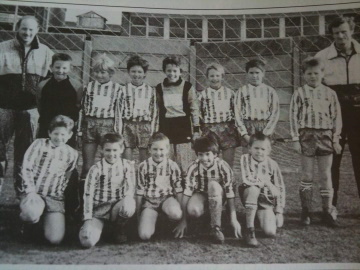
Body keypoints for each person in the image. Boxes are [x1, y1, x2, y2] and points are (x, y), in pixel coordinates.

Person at [0, 16, 53, 195]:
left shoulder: (45, 52)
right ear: (17, 28)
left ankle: (22, 194)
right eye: (24, 29)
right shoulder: (3, 48)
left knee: (25, 153)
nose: (27, 33)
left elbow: (50, 82)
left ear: (37, 30)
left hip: (30, 111)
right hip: (4, 108)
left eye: (31, 29)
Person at [315, 16, 360, 218]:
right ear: (331, 35)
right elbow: (314, 87)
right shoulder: (322, 57)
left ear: (352, 30)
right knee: (332, 160)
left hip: (358, 115)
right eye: (336, 33)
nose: (341, 37)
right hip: (333, 115)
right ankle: (330, 206)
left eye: (344, 32)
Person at [290, 57, 342, 227]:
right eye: (309, 73)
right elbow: (293, 117)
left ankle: (327, 211)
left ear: (322, 73)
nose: (313, 76)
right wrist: (295, 139)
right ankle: (306, 211)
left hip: (325, 135)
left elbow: (336, 118)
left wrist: (336, 138)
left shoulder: (330, 93)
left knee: (326, 174)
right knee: (307, 175)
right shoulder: (299, 93)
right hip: (307, 135)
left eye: (316, 73)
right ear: (304, 75)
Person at [19, 115, 78, 245]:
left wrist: (60, 191)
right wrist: (31, 192)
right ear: (49, 133)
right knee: (31, 213)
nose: (59, 137)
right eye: (56, 133)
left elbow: (68, 174)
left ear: (69, 135)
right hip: (35, 192)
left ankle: (44, 221)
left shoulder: (72, 153)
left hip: (54, 197)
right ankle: (29, 225)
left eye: (63, 134)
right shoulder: (38, 144)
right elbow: (26, 168)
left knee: (55, 239)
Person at [173, 136, 241, 244]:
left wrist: (234, 219)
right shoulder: (193, 167)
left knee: (213, 185)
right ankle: (206, 217)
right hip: (201, 193)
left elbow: (230, 192)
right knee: (193, 210)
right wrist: (183, 220)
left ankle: (216, 227)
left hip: (219, 194)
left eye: (207, 154)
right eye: (201, 154)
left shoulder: (223, 166)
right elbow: (187, 193)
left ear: (215, 154)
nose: (204, 158)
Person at [77, 54, 123, 206]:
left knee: (108, 163)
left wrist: (117, 132)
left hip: (108, 126)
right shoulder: (88, 87)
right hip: (90, 125)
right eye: (96, 72)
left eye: (103, 72)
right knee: (87, 165)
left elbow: (118, 112)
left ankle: (108, 199)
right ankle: (84, 201)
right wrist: (79, 130)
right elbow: (82, 110)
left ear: (110, 73)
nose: (99, 75)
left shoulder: (117, 89)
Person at [79, 133, 136, 248]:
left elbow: (130, 188)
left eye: (115, 150)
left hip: (116, 206)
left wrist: (127, 200)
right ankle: (99, 227)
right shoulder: (95, 169)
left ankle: (117, 228)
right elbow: (88, 194)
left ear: (121, 149)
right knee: (87, 242)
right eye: (108, 150)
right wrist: (88, 219)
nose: (111, 154)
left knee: (128, 203)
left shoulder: (126, 166)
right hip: (99, 209)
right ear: (101, 150)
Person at [155, 56, 200, 176]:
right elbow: (157, 109)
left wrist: (196, 129)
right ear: (164, 71)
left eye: (175, 71)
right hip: (166, 126)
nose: (172, 74)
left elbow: (194, 109)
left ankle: (186, 185)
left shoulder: (187, 87)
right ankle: (168, 185)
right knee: (167, 159)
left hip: (183, 127)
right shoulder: (159, 88)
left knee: (183, 159)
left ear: (180, 72)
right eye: (169, 70)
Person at [238, 133, 285, 247]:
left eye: (263, 149)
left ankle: (258, 217)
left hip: (265, 201)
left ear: (268, 150)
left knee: (270, 232)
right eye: (256, 148)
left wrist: (279, 211)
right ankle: (249, 230)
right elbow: (248, 179)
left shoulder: (273, 164)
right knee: (254, 188)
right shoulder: (245, 159)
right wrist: (267, 183)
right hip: (249, 194)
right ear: (249, 148)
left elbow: (279, 187)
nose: (259, 152)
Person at [136, 132, 183, 240]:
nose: (158, 153)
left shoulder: (172, 166)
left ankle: (167, 222)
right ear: (149, 149)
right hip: (150, 202)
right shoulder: (143, 166)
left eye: (162, 149)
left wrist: (182, 220)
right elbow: (139, 192)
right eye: (155, 149)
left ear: (167, 150)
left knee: (176, 213)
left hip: (167, 199)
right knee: (144, 235)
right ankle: (152, 219)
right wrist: (138, 218)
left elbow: (179, 191)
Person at [117, 55, 157, 162]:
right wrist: (119, 130)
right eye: (133, 71)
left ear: (144, 73)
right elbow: (119, 111)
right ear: (129, 72)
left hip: (144, 125)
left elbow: (154, 112)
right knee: (127, 154)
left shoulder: (151, 91)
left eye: (140, 72)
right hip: (128, 124)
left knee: (144, 157)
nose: (136, 75)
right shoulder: (123, 89)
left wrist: (153, 130)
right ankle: (128, 175)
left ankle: (143, 176)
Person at [198, 63, 239, 168]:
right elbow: (199, 113)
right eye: (212, 76)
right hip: (209, 130)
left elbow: (236, 112)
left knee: (228, 162)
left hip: (227, 129)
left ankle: (228, 181)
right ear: (207, 77)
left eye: (217, 76)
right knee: (210, 159)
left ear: (222, 76)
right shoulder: (203, 95)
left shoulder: (230, 93)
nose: (215, 78)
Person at [38, 53, 81, 146]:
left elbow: (78, 105)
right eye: (57, 67)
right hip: (46, 124)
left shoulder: (77, 86)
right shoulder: (42, 85)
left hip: (67, 127)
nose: (60, 71)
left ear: (70, 68)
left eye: (64, 68)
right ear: (51, 67)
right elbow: (39, 104)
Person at [234, 59, 280, 147]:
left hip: (264, 126)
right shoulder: (241, 91)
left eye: (257, 72)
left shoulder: (270, 91)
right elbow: (237, 113)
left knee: (263, 153)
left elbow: (275, 113)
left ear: (263, 73)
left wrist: (267, 132)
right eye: (251, 73)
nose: (254, 76)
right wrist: (244, 134)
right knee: (248, 154)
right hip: (248, 126)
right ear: (247, 74)